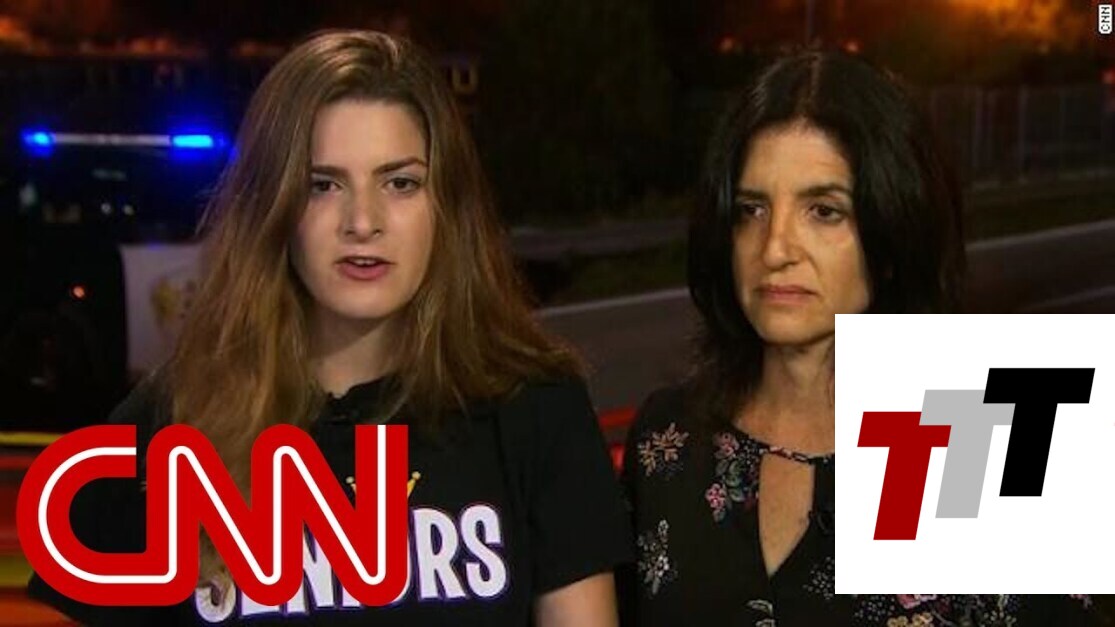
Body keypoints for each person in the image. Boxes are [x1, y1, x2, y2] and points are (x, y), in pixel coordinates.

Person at [28, 30, 630, 626]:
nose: (362, 221)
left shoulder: (533, 409)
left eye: (400, 183)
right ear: (272, 208)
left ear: (447, 206)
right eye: (323, 185)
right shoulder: (173, 424)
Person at [620, 49, 1096, 625]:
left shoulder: (1001, 431)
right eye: (752, 209)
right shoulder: (666, 440)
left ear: (893, 232)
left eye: (824, 211)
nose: (775, 248)